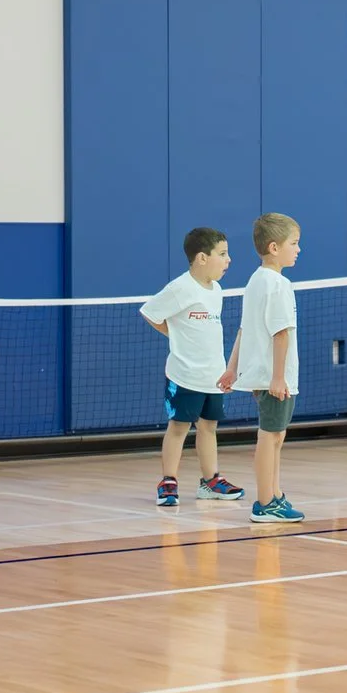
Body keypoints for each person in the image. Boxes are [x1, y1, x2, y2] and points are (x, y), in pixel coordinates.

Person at [142, 226, 245, 507]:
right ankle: (168, 481)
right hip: (184, 374)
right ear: (202, 257)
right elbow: (150, 312)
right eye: (222, 254)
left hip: (212, 375)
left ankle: (210, 481)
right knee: (178, 427)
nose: (229, 260)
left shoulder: (217, 290)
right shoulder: (180, 288)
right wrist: (176, 334)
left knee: (209, 427)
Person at [221, 212, 303, 523]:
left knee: (275, 436)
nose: (298, 249)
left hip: (261, 375)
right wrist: (278, 377)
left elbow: (244, 329)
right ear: (273, 247)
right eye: (293, 243)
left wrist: (232, 369)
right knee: (269, 437)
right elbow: (280, 333)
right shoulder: (278, 284)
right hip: (274, 378)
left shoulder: (256, 280)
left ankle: (275, 495)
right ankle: (266, 502)